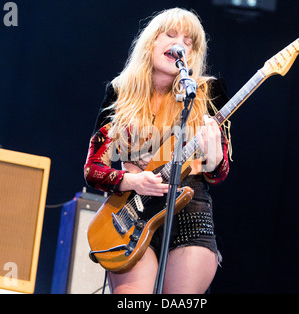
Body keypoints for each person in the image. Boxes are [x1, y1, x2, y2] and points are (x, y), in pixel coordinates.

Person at [84, 7, 231, 294]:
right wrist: (132, 181)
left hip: (191, 215)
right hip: (133, 217)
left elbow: (218, 173)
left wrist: (214, 157)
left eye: (188, 42)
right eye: (171, 35)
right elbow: (93, 170)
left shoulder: (205, 93)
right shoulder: (120, 92)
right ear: (151, 41)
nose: (179, 45)